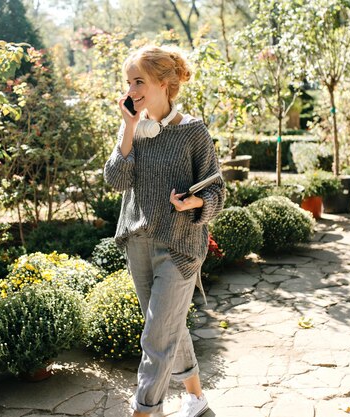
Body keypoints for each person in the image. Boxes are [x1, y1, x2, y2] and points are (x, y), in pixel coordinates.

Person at [103, 45, 225, 417]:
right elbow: (115, 180)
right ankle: (196, 397)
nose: (131, 90)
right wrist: (127, 127)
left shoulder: (193, 132)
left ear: (164, 84)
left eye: (139, 81)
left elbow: (217, 189)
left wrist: (197, 203)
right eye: (128, 82)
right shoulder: (135, 130)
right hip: (138, 243)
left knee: (156, 336)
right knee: (166, 325)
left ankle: (145, 411)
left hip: (180, 247)